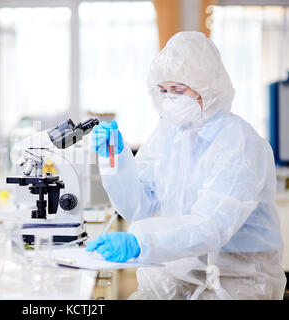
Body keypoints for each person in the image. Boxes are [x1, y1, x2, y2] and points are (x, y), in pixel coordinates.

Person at [88, 31, 287, 300]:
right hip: (181, 272)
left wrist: (141, 242)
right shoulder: (170, 134)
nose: (169, 99)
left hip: (240, 281)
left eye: (178, 90)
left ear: (207, 86)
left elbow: (210, 225)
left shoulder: (238, 143)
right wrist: (116, 159)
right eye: (164, 90)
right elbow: (140, 205)